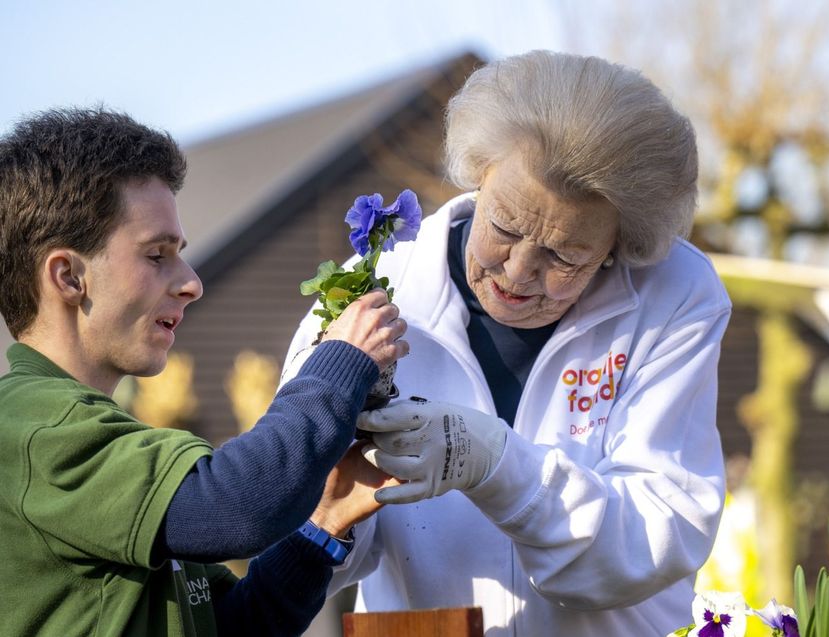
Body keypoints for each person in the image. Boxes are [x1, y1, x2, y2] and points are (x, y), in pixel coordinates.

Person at [284, 50, 732, 636]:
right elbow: (301, 534)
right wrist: (336, 499)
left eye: (564, 256)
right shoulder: (369, 288)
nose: (518, 272)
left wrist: (496, 464)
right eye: (504, 227)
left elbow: (656, 534)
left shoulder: (675, 296)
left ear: (620, 244)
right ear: (478, 174)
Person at [0, 108, 409, 636]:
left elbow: (235, 626)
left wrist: (323, 525)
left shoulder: (89, 433)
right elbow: (238, 505)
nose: (191, 283)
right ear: (69, 275)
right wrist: (339, 361)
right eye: (156, 255)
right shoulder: (34, 429)